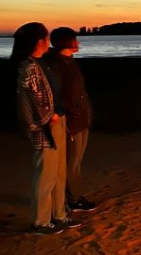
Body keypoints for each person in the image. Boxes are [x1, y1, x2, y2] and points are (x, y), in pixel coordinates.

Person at [10, 23, 81, 234]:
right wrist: (47, 118)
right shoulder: (28, 67)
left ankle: (59, 214)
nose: (49, 42)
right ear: (39, 41)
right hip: (45, 126)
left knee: (59, 171)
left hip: (57, 121)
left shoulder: (43, 63)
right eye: (46, 38)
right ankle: (41, 220)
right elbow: (29, 100)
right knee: (46, 174)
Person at [43, 27, 97, 212]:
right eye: (75, 40)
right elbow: (57, 94)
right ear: (67, 42)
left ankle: (73, 196)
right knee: (71, 162)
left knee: (76, 161)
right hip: (70, 120)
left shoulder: (69, 62)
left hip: (81, 117)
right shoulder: (56, 65)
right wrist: (67, 111)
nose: (78, 43)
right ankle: (71, 199)